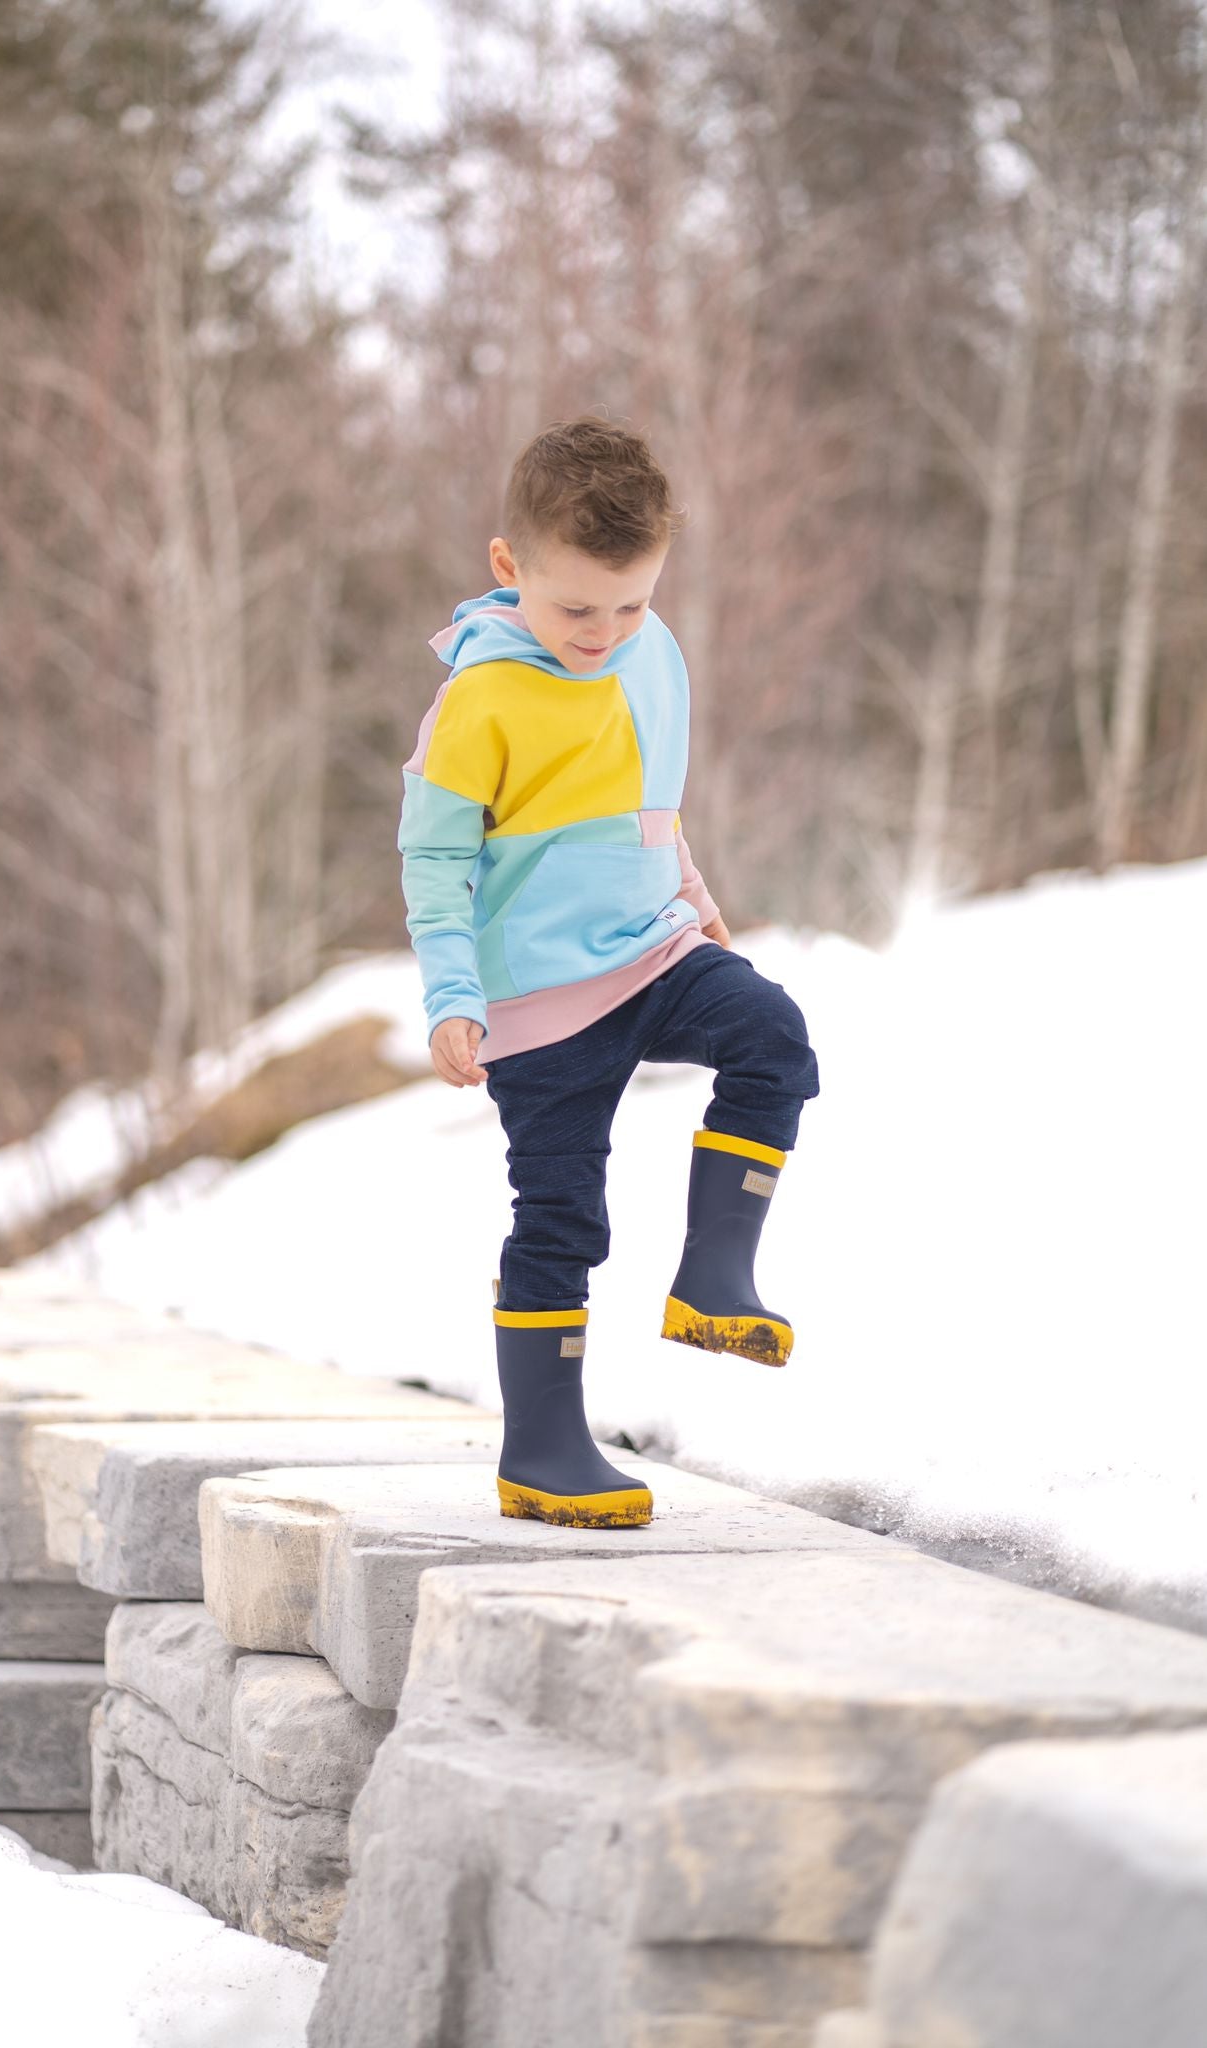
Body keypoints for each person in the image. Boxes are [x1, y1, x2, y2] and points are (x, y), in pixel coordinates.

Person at [398, 417, 820, 1529]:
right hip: (536, 1004)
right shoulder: (477, 702)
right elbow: (435, 862)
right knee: (559, 1217)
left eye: (629, 603)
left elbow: (650, 802)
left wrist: (696, 898)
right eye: (575, 607)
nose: (604, 631)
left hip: (654, 950)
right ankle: (540, 1448)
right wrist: (450, 998)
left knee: (771, 1035)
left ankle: (713, 1278)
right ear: (509, 567)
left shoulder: (652, 649)